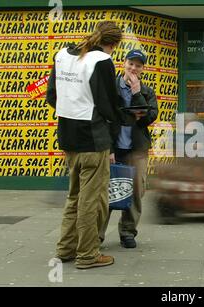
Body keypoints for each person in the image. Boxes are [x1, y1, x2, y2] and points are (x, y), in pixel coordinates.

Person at [46, 21, 124, 269]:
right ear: (113, 44)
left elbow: (52, 96)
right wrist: (114, 131)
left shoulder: (62, 55)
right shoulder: (101, 61)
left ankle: (66, 249)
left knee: (74, 196)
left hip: (68, 137)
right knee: (91, 200)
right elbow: (109, 106)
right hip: (93, 139)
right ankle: (88, 255)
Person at [100, 49, 158, 248]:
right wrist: (108, 149)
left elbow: (148, 118)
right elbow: (102, 119)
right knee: (106, 191)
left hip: (137, 150)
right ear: (123, 63)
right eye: (130, 63)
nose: (133, 68)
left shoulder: (147, 91)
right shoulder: (110, 88)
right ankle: (97, 235)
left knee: (136, 191)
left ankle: (127, 232)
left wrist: (136, 93)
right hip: (113, 148)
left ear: (143, 69)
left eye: (138, 65)